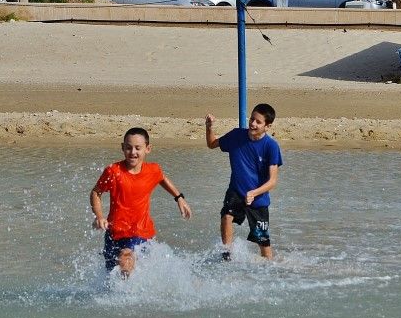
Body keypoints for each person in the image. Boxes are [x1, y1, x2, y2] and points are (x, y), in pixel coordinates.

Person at [90, 127, 192, 277]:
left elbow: (161, 178)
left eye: (138, 148)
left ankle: (129, 299)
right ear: (122, 148)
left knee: (125, 260)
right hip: (114, 233)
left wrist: (179, 197)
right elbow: (95, 192)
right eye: (129, 148)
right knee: (110, 275)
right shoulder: (113, 171)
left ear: (147, 149)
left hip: (140, 231)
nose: (133, 152)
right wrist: (99, 216)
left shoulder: (152, 170)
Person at [206, 104, 282, 261]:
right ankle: (227, 256)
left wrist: (254, 193)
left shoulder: (271, 146)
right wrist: (209, 127)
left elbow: (273, 181)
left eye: (258, 122)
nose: (253, 124)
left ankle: (270, 270)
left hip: (259, 199)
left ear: (267, 126)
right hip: (236, 191)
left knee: (263, 244)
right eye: (252, 119)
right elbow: (212, 144)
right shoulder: (236, 136)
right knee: (227, 216)